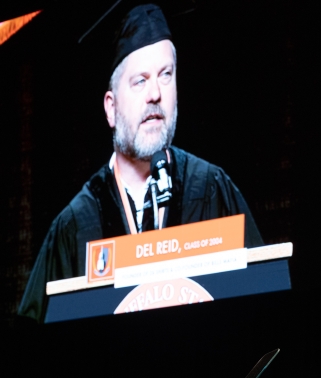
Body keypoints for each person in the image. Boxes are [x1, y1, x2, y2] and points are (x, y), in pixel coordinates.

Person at [18, 4, 263, 322]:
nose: (155, 94)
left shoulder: (213, 190)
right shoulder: (75, 226)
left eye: (165, 75)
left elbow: (264, 301)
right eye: (140, 81)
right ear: (111, 107)